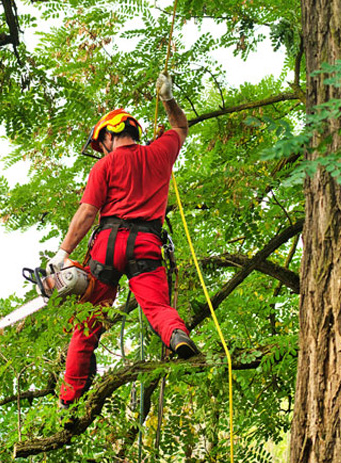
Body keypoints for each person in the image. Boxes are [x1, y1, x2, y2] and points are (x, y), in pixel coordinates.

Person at [48, 72, 199, 407]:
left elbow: (87, 214)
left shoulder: (105, 166)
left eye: (100, 143)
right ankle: (177, 336)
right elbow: (181, 128)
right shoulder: (160, 154)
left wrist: (63, 253)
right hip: (146, 245)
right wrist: (168, 99)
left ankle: (69, 398)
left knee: (88, 321)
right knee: (157, 307)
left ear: (109, 136)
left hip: (108, 246)